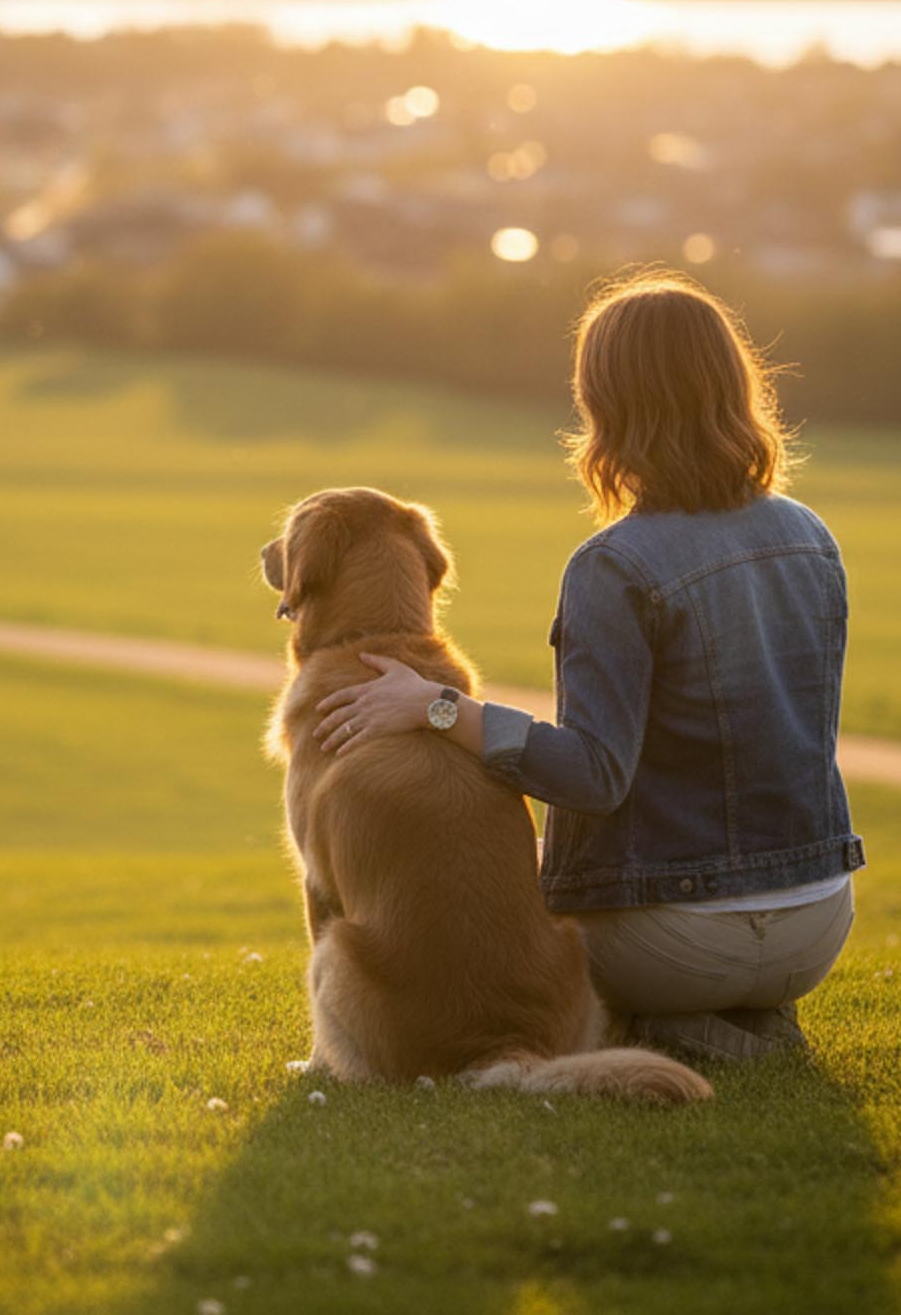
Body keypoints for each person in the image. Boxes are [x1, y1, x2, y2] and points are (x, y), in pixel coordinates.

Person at [309, 268, 864, 1064]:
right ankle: (741, 1014)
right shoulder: (811, 536)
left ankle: (671, 1021)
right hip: (817, 924)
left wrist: (435, 707)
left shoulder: (616, 566)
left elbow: (594, 775)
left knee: (489, 912)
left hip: (683, 937)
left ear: (607, 405)